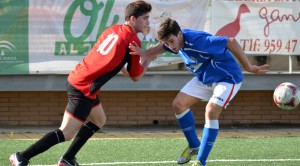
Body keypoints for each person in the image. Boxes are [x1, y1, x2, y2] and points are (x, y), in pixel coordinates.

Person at [9, 1, 155, 166]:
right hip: (84, 87)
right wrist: (147, 59)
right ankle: (22, 156)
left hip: (80, 79)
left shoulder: (113, 30)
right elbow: (136, 77)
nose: (148, 22)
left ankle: (68, 159)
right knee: (66, 132)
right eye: (145, 18)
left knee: (99, 120)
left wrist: (139, 60)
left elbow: (116, 62)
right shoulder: (133, 40)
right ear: (133, 19)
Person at [129, 18, 269, 166]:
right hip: (205, 77)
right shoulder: (174, 41)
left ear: (180, 35)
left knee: (211, 110)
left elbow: (231, 41)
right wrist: (145, 52)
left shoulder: (198, 41)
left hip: (227, 78)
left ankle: (200, 162)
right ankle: (194, 145)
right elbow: (163, 47)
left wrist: (248, 67)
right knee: (178, 105)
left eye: (171, 41)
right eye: (167, 42)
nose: (170, 46)